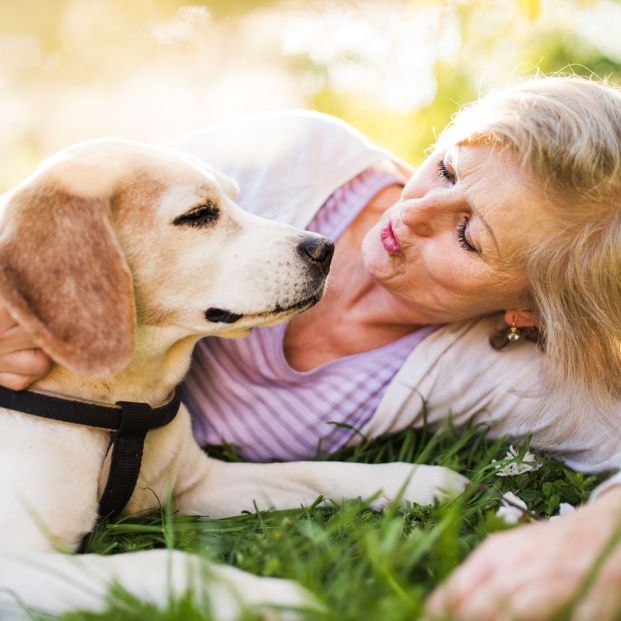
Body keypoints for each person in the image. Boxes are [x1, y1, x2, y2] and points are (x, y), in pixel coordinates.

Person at [1, 74, 620, 620]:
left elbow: (194, 486)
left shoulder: (510, 372)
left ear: (527, 310)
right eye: (447, 168)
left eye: (467, 234)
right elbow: (53, 223)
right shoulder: (295, 158)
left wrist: (602, 544)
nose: (415, 211)